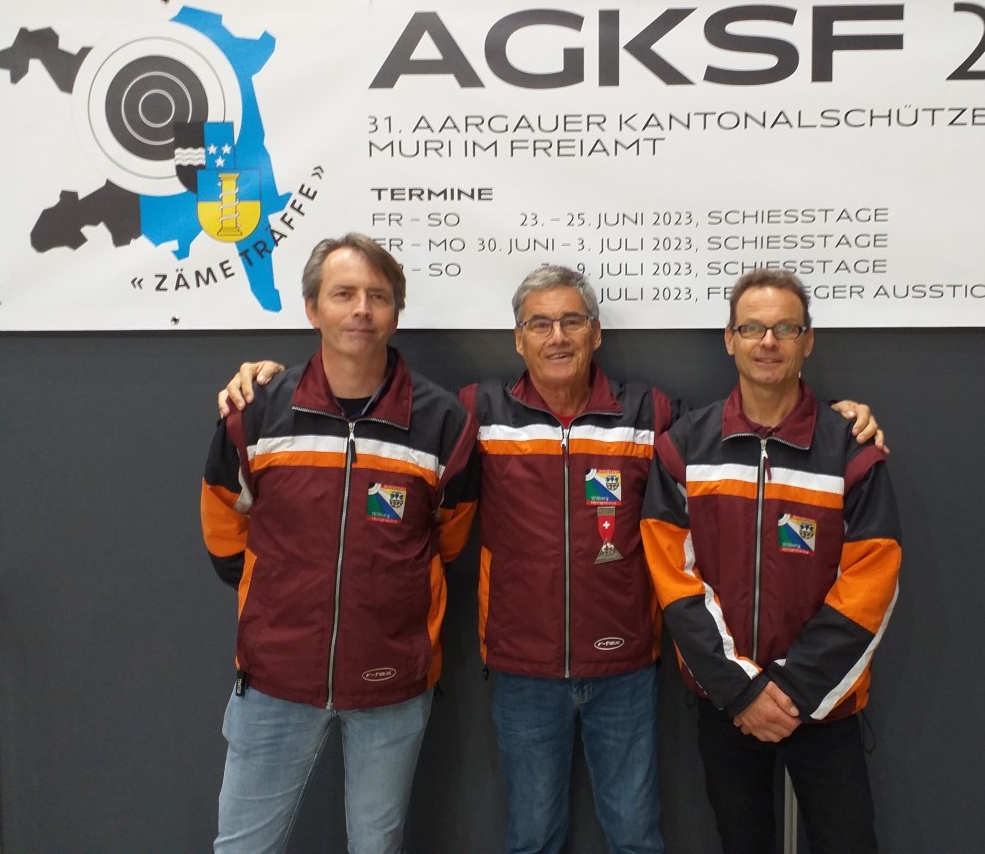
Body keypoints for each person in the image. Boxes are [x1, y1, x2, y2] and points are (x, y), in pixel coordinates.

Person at [217, 265, 884, 854]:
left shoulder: (652, 414)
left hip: (626, 668)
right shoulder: (475, 413)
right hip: (522, 670)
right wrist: (263, 376)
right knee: (533, 836)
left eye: (572, 321)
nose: (557, 336)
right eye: (540, 323)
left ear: (596, 332)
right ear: (518, 338)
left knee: (636, 835)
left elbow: (751, 422)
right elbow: (439, 520)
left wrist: (842, 418)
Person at [200, 234, 478, 854]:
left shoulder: (442, 422)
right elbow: (223, 516)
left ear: (395, 313)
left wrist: (391, 591)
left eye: (377, 296)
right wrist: (272, 592)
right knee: (243, 847)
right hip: (275, 678)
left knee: (376, 846)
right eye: (343, 293)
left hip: (391, 683)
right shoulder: (257, 410)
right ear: (312, 308)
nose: (361, 310)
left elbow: (450, 534)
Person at [640, 268, 902, 854]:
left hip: (824, 704)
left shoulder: (850, 450)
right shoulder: (684, 448)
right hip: (728, 704)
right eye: (752, 328)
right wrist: (742, 690)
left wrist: (792, 688)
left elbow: (872, 581)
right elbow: (674, 581)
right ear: (728, 339)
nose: (768, 342)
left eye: (785, 328)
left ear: (808, 341)